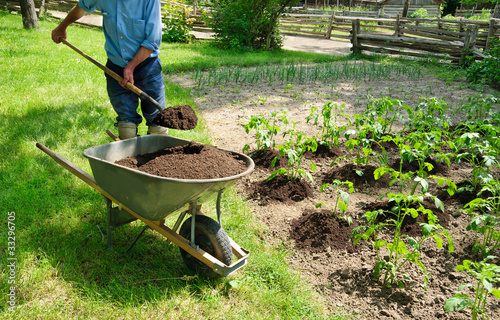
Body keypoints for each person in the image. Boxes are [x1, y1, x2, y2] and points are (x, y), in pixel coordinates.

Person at [52, 0, 168, 139]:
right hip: (116, 68)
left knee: (158, 126)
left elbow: (153, 40)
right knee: (126, 128)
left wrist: (131, 67)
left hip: (147, 68)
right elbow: (82, 7)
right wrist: (62, 26)